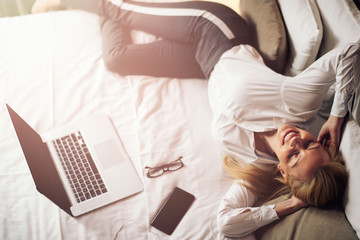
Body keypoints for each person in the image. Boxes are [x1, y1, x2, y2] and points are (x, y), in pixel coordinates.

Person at [32, 0, 359, 238]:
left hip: (203, 64)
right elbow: (349, 52)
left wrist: (292, 204)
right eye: (311, 143)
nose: (297, 140)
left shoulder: (254, 166)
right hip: (215, 31)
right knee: (121, 10)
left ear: (283, 172)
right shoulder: (297, 103)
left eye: (294, 155)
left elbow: (226, 223)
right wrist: (335, 117)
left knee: (115, 60)